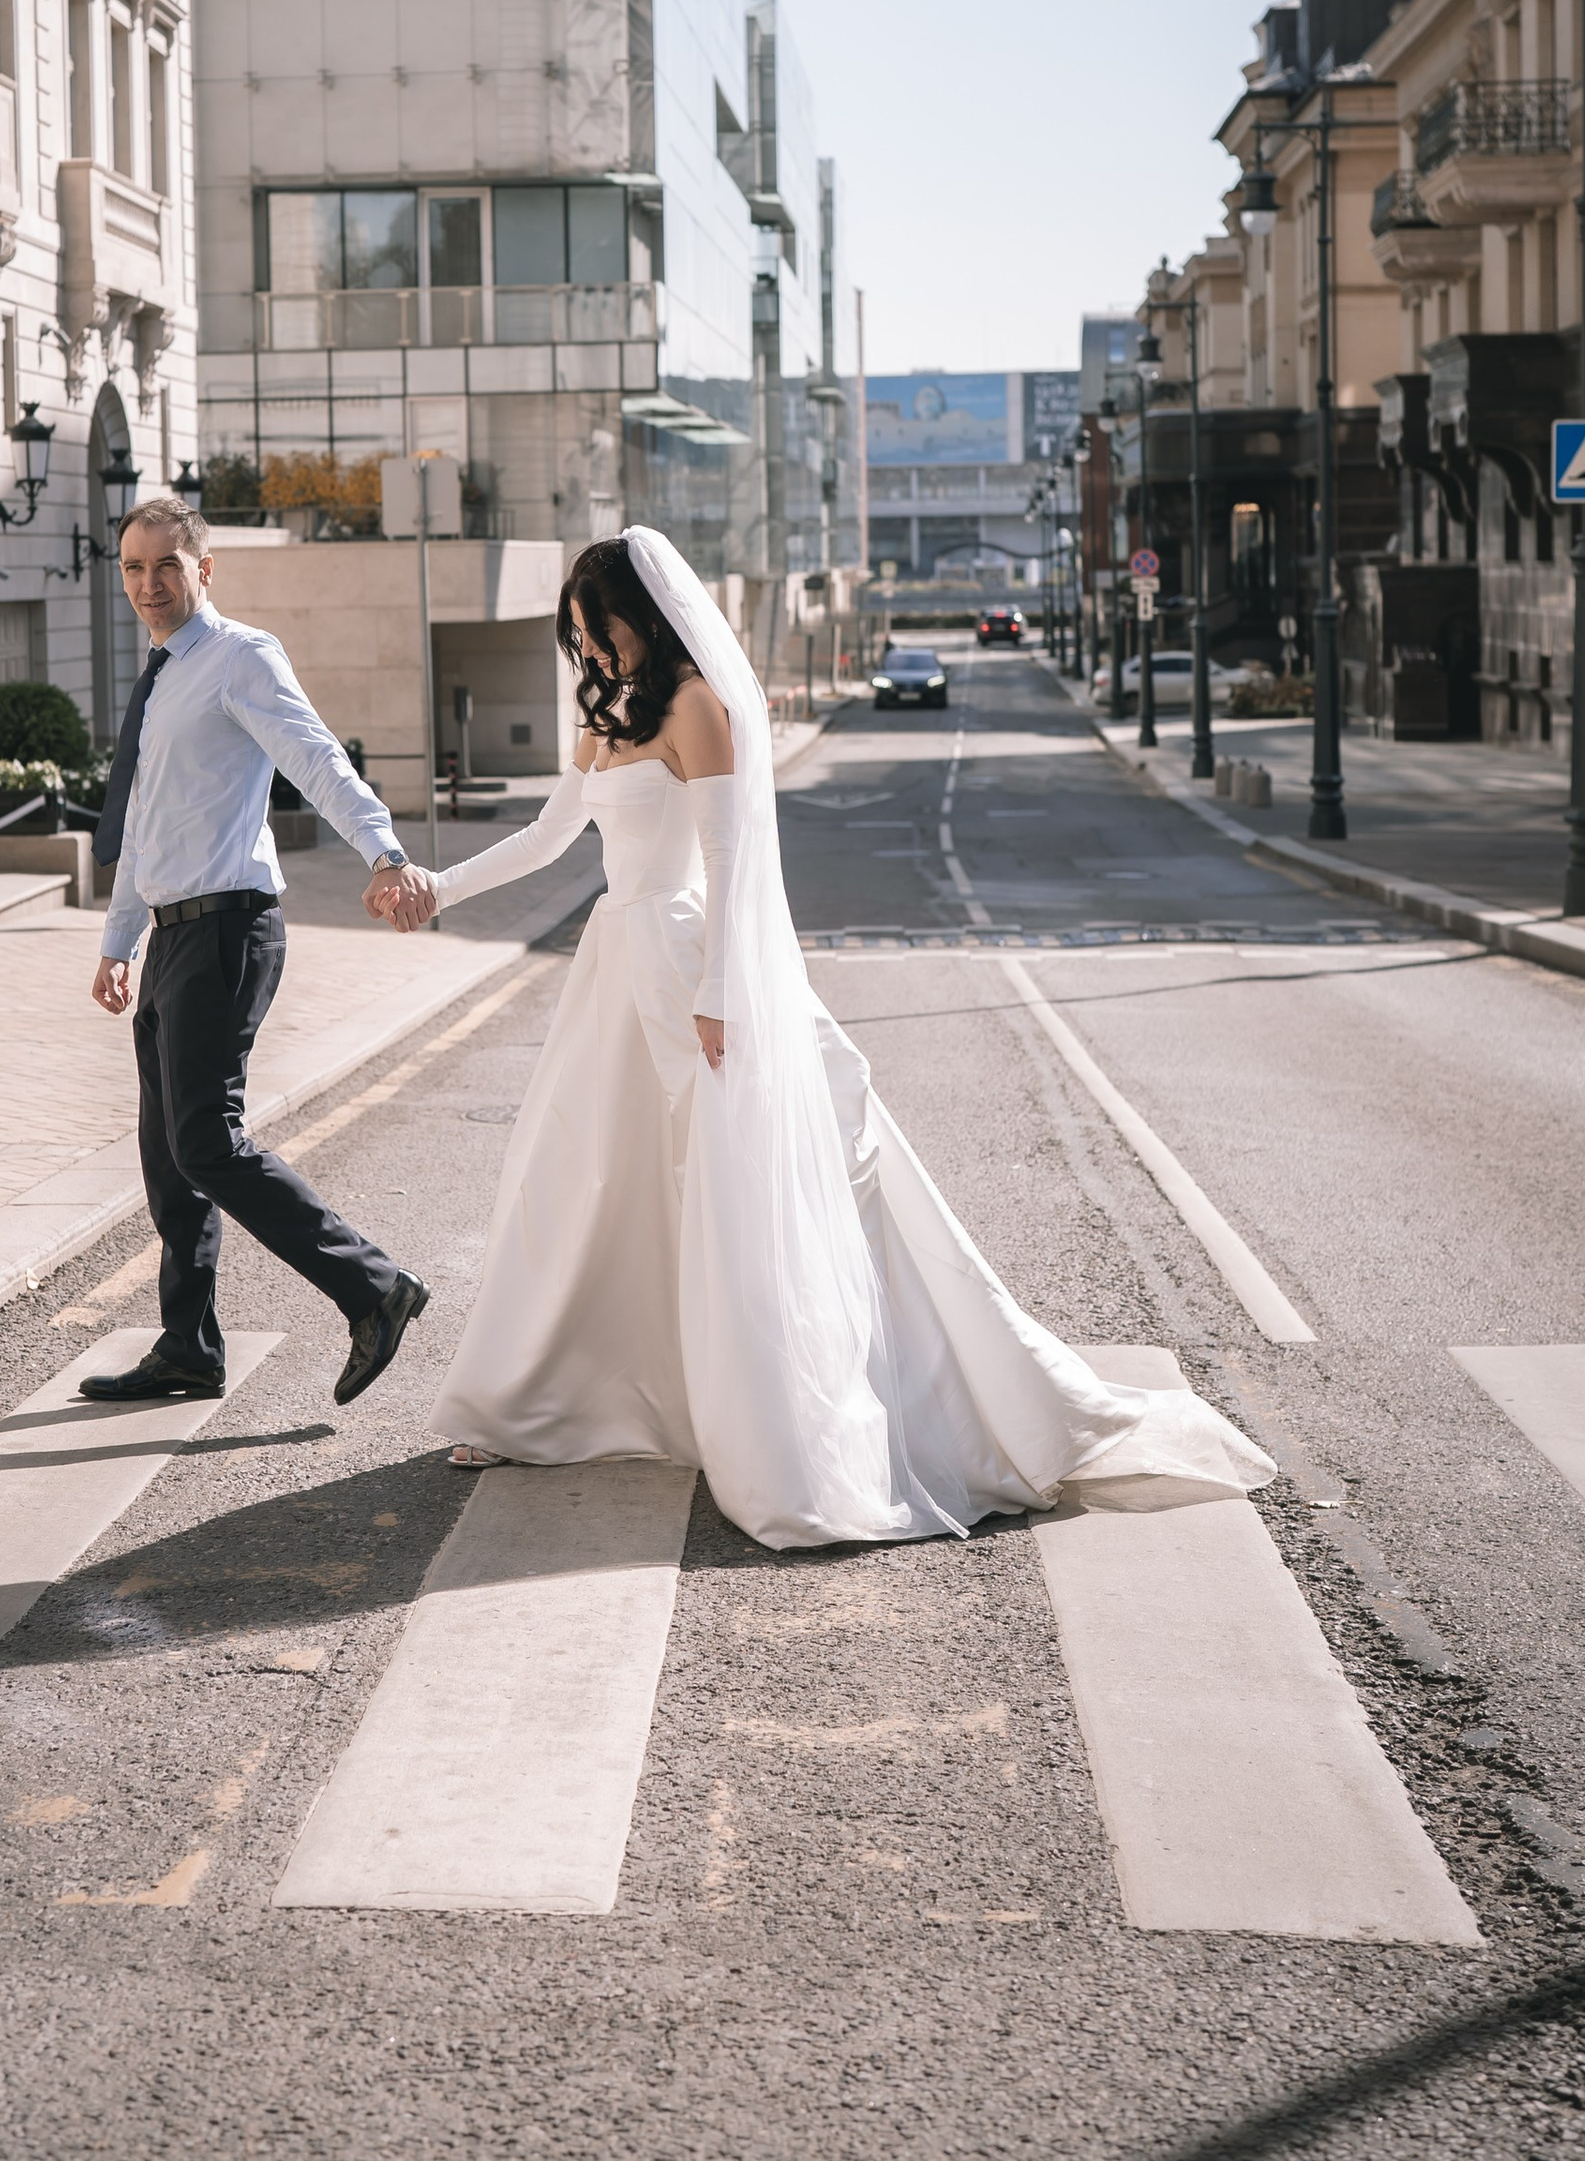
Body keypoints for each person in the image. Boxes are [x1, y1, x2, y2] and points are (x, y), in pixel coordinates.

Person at [375, 525, 1272, 1550]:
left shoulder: (696, 706)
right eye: (577, 636)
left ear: (648, 617)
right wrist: (437, 888)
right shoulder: (608, 709)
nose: (592, 649)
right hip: (613, 967)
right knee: (587, 1179)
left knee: (723, 1192)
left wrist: (721, 991)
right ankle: (541, 1403)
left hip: (689, 967)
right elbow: (546, 838)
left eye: (603, 628)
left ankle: (758, 1419)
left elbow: (731, 861)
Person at [81, 490, 438, 1409]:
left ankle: (374, 1287)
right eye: (133, 568)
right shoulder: (164, 676)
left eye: (167, 566)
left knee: (207, 1141)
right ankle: (189, 1347)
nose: (149, 584)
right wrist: (120, 940)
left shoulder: (240, 657)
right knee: (169, 1154)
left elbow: (315, 756)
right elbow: (146, 826)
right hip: (173, 935)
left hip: (230, 927)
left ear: (205, 568)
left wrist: (385, 852)